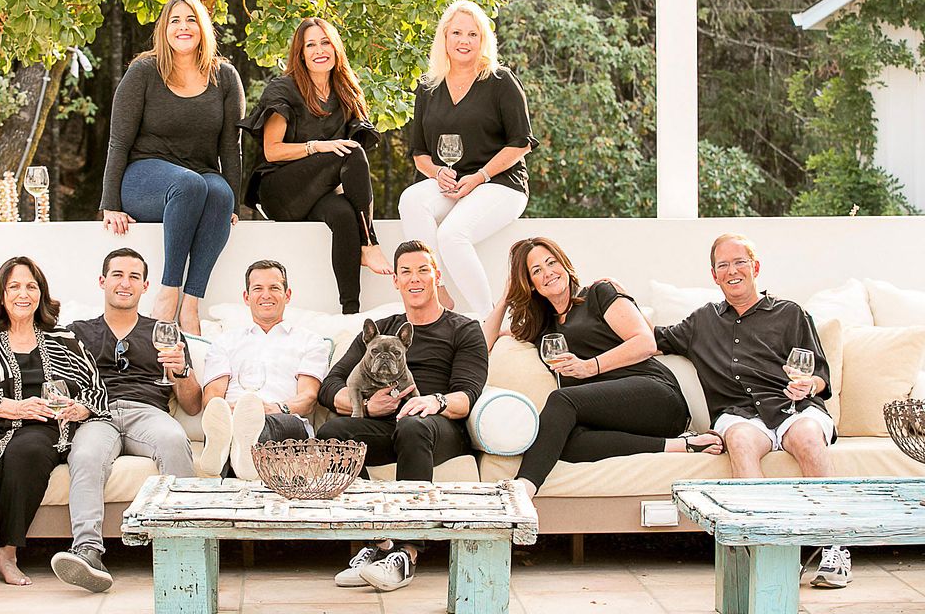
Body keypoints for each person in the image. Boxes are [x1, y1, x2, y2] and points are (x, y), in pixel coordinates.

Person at [655, 233, 850, 589]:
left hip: (794, 407)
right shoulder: (702, 321)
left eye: (739, 262)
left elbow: (820, 374)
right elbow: (649, 339)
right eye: (723, 265)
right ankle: (768, 549)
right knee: (741, 441)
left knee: (808, 437)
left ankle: (834, 546)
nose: (732, 271)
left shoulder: (791, 313)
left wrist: (809, 386)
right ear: (714, 275)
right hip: (740, 414)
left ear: (755, 267)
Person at [483, 237, 722, 502]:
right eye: (536, 270)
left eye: (551, 262)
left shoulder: (598, 294)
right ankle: (682, 445)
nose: (548, 272)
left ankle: (522, 491)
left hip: (655, 395)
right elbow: (484, 342)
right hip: (613, 415)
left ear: (564, 264)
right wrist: (507, 295)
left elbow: (645, 342)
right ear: (531, 284)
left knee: (561, 400)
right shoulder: (542, 326)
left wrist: (589, 367)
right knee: (562, 440)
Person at [316, 240, 488, 592]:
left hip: (438, 429)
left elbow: (468, 395)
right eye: (405, 272)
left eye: (423, 270)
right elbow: (330, 385)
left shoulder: (464, 329)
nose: (414, 278)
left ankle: (406, 554)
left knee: (413, 426)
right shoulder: (380, 331)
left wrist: (434, 402)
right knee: (333, 432)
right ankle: (375, 541)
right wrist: (366, 406)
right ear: (395, 281)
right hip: (384, 426)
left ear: (437, 276)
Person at [0, 257, 108, 589]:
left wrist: (78, 409)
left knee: (27, 453)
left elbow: (96, 389)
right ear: (1, 295)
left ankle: (8, 554)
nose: (23, 294)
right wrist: (12, 407)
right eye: (14, 286)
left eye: (31, 286)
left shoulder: (63, 338)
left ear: (41, 294)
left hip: (40, 425)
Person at [51, 247, 201, 593]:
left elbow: (192, 405)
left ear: (145, 286)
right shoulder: (76, 333)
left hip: (146, 412)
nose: (125, 283)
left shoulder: (164, 332)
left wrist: (181, 370)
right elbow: (59, 386)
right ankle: (88, 551)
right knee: (86, 455)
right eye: (117, 275)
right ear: (102, 281)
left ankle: (185, 546)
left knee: (174, 439)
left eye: (134, 277)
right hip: (96, 414)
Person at [99, 0, 245, 335]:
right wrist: (110, 203)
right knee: (190, 184)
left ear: (203, 28)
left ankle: (191, 303)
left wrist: (234, 203)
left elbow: (231, 146)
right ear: (164, 29)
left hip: (200, 172)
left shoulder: (225, 77)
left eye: (191, 19)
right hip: (144, 176)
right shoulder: (144, 72)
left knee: (220, 194)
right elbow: (119, 141)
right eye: (175, 21)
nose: (183, 27)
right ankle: (168, 293)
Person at [238, 17, 392, 314]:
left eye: (325, 43)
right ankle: (370, 244)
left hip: (318, 193)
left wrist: (347, 193)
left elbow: (353, 169)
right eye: (311, 45)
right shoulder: (284, 89)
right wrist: (317, 146)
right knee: (351, 152)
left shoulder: (346, 92)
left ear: (336, 49)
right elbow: (272, 151)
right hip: (280, 192)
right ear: (301, 53)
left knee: (344, 214)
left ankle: (350, 312)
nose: (319, 50)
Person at [398, 0, 539, 319]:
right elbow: (419, 154)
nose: (464, 41)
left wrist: (480, 176)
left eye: (473, 34)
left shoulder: (501, 81)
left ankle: (488, 319)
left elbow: (521, 144)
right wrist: (437, 173)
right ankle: (438, 290)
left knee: (452, 235)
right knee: (411, 200)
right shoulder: (428, 88)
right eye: (457, 33)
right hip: (452, 184)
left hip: (500, 183)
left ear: (483, 39)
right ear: (444, 37)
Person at [196, 259, 330, 480]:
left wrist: (275, 408)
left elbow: (308, 398)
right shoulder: (225, 342)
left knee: (258, 422)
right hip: (231, 416)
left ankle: (233, 454)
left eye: (274, 288)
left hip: (284, 419)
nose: (266, 295)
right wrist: (228, 409)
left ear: (287, 295)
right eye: (258, 288)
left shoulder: (310, 341)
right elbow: (212, 396)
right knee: (223, 421)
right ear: (246, 297)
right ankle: (238, 454)